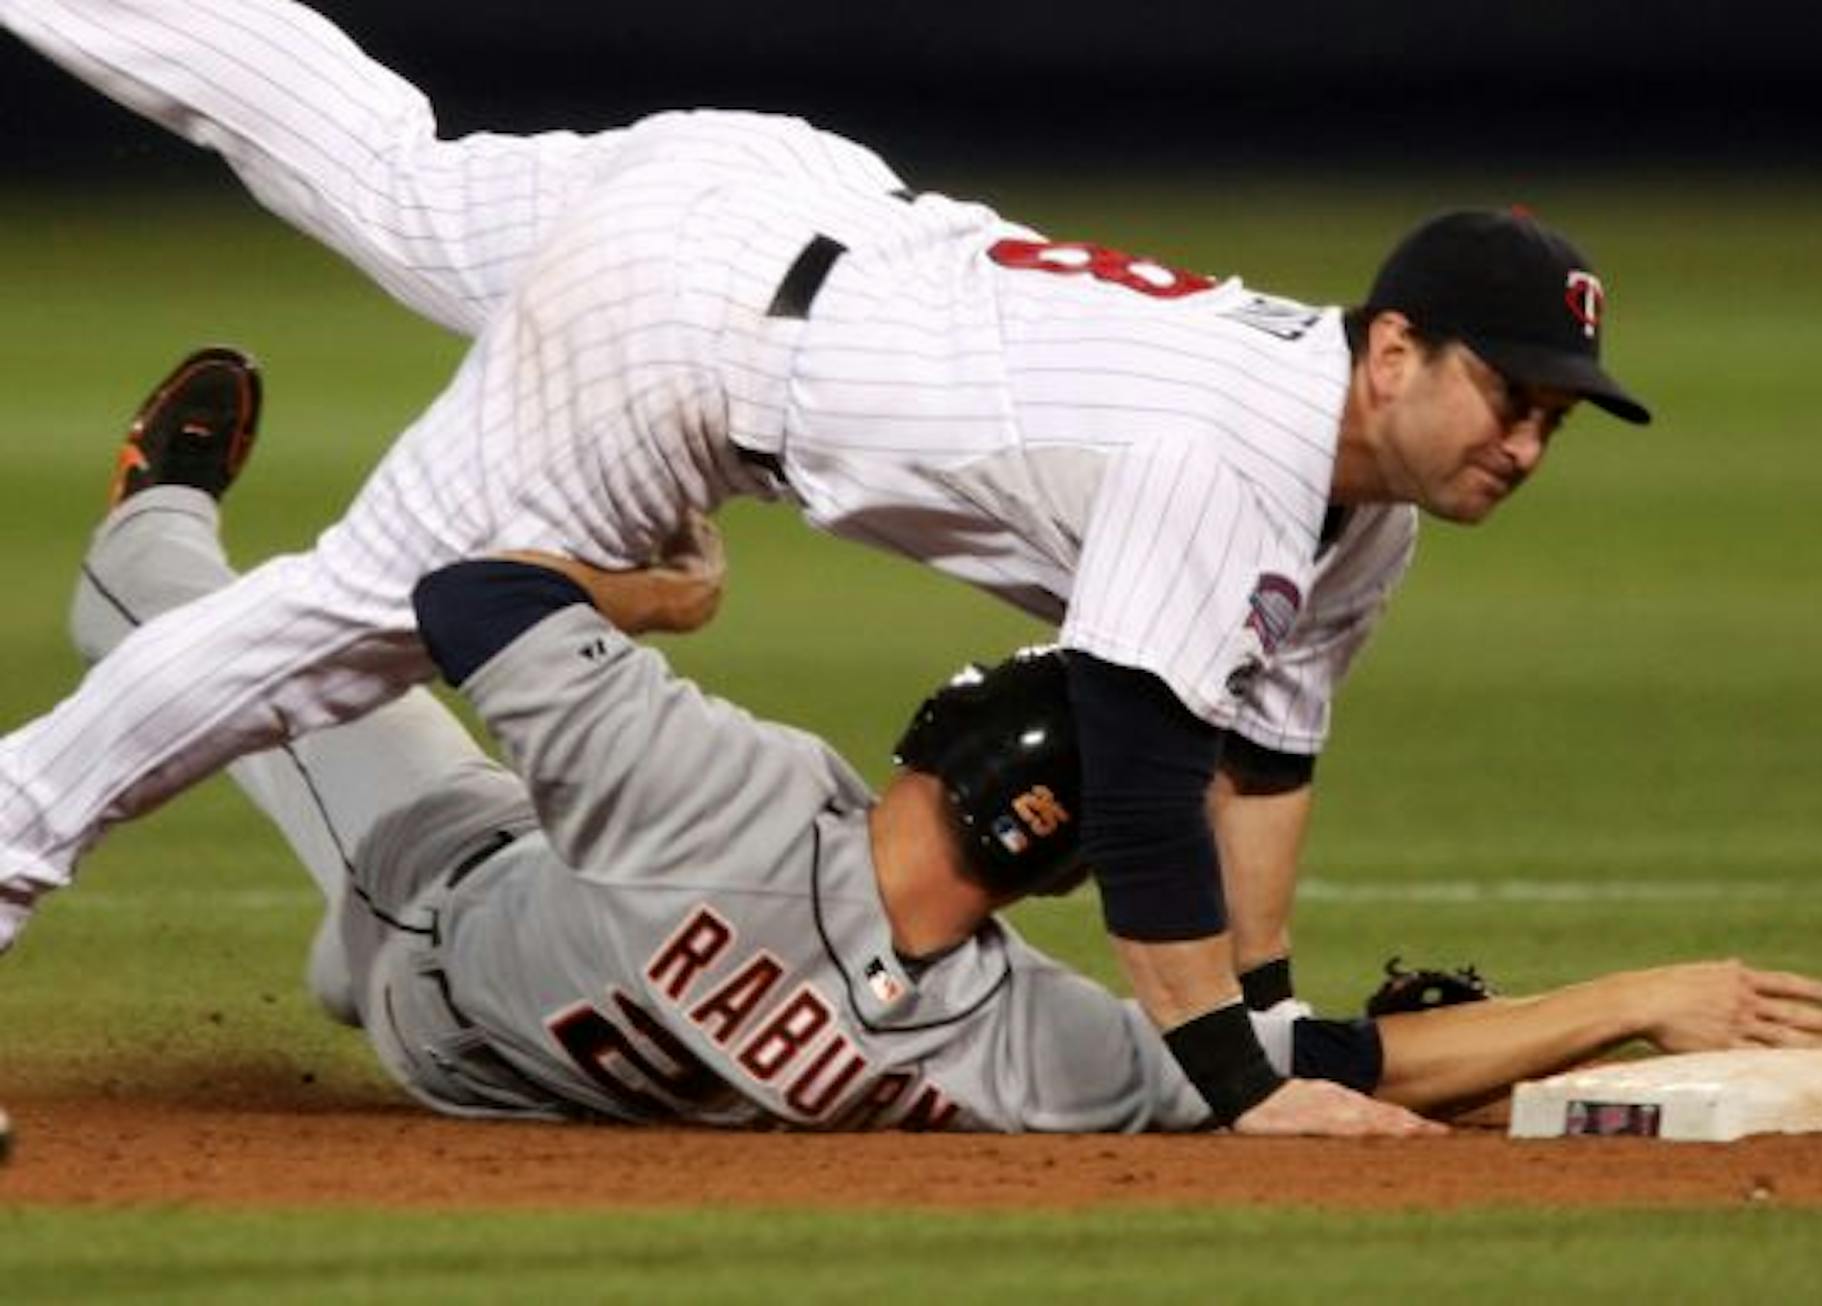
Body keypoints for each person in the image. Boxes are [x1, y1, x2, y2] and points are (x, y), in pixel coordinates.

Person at [0, 0, 1653, 1135]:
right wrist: (1235, 1083)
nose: (1525, 437)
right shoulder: (1234, 443)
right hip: (687, 348)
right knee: (342, 631)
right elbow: (1146, 799)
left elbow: (1254, 773)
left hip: (763, 196)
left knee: (380, 160)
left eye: (1555, 418)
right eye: (1510, 394)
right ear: (1394, 353)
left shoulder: (1359, 521)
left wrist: (1275, 1028)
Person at [65, 351, 1822, 1133]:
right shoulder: (1025, 1042)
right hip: (503, 1069)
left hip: (442, 919)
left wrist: (671, 596)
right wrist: (1621, 999)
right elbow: (1308, 1063)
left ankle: (143, 533)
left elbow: (455, 591)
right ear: (1061, 866)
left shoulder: (737, 800)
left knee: (257, 657)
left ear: (939, 746)